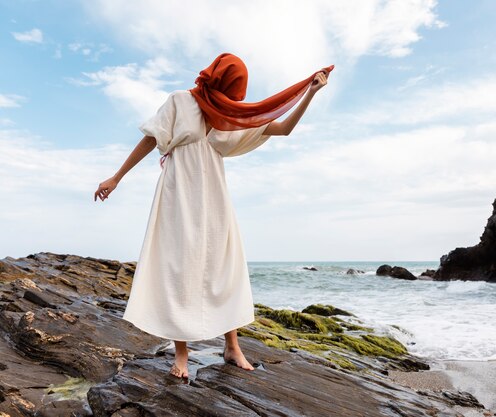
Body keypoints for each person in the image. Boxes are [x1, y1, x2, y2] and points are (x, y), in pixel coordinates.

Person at [94, 53, 332, 380]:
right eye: (234, 89)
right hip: (179, 198)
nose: (237, 98)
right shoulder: (180, 102)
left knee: (225, 268)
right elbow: (151, 138)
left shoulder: (230, 117)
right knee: (180, 270)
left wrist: (311, 92)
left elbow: (283, 128)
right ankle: (181, 355)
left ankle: (232, 346)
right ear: (220, 80)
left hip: (215, 201)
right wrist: (116, 177)